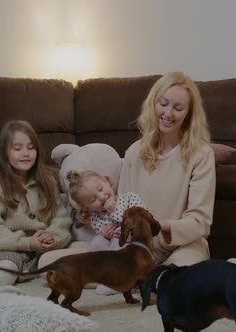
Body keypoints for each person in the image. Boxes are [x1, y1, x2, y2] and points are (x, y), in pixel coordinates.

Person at [118, 71, 215, 266]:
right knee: (55, 266)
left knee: (172, 283)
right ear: (153, 104)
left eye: (178, 108)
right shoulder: (134, 152)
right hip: (140, 246)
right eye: (163, 104)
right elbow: (122, 208)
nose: (168, 113)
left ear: (189, 113)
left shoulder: (202, 154)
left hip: (184, 246)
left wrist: (160, 226)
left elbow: (200, 222)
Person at [0, 120, 72, 294]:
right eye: (17, 148)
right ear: (5, 152)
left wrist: (51, 238)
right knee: (5, 265)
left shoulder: (47, 180)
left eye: (31, 147)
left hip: (42, 251)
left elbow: (61, 219)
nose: (26, 154)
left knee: (73, 256)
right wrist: (27, 243)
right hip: (7, 248)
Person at [65, 168, 145, 295]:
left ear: (106, 181)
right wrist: (105, 234)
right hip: (115, 254)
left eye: (101, 189)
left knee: (119, 233)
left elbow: (140, 221)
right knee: (97, 241)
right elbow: (103, 235)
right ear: (87, 207)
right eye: (93, 200)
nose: (102, 197)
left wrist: (113, 211)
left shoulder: (129, 198)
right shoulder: (95, 216)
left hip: (136, 246)